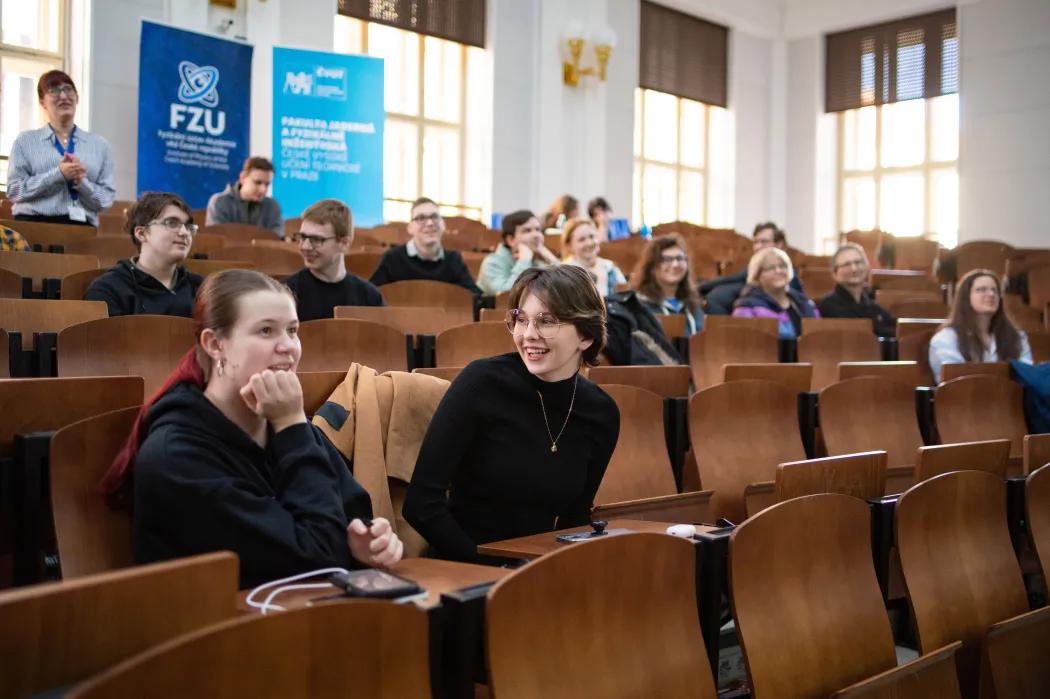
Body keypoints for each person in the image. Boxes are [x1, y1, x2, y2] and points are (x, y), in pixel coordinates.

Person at [99, 269, 404, 588]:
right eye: (266, 331)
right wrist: (292, 425)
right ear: (215, 344)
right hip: (214, 627)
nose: (288, 346)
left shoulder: (284, 422)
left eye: (293, 330)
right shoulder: (176, 455)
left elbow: (350, 512)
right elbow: (317, 556)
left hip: (297, 612)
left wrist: (368, 542)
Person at [403, 265, 620, 562]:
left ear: (585, 336)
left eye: (547, 321)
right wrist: (492, 571)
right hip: (464, 565)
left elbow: (574, 518)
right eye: (521, 319)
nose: (528, 335)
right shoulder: (481, 383)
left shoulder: (602, 413)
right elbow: (421, 505)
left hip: (536, 569)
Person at [7, 70, 115, 227]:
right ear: (42, 102)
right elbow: (14, 191)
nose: (63, 96)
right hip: (33, 224)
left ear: (77, 98)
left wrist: (81, 181)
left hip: (82, 229)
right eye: (55, 90)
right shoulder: (25, 141)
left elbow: (106, 200)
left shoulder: (100, 145)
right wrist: (58, 174)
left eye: (68, 89)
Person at [84, 192, 203, 317]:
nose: (185, 232)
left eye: (188, 226)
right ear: (141, 233)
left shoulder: (201, 288)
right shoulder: (109, 289)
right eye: (172, 223)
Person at [284, 199, 383, 321]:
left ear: (344, 243)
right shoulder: (286, 294)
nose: (305, 246)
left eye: (316, 239)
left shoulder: (369, 297)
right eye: (302, 237)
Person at [928, 269, 1033, 382]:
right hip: (964, 397)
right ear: (966, 297)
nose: (991, 294)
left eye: (995, 290)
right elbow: (954, 379)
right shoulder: (946, 338)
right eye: (981, 290)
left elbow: (1027, 377)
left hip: (1011, 397)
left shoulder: (1016, 336)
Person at [369, 197, 482, 293]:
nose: (429, 223)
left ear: (443, 225)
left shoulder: (454, 260)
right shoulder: (393, 258)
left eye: (434, 217)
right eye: (421, 218)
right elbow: (373, 298)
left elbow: (474, 297)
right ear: (410, 228)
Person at [700, 222, 805, 314]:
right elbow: (733, 278)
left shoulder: (788, 274)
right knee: (719, 294)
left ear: (779, 244)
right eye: (755, 242)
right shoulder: (755, 266)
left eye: (764, 242)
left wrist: (698, 288)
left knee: (718, 295)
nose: (758, 247)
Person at [732, 247, 820, 338]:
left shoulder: (804, 303)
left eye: (783, 266)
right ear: (757, 275)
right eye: (770, 268)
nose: (779, 271)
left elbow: (817, 335)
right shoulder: (747, 307)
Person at [630, 233, 704, 336]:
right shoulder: (640, 305)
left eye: (679, 258)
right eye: (667, 259)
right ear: (651, 267)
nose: (675, 264)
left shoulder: (692, 303)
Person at [817, 242, 896, 337]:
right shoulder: (827, 306)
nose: (854, 269)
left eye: (858, 262)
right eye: (847, 264)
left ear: (866, 266)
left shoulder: (875, 309)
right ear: (835, 273)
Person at [478, 209, 559, 295]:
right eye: (527, 230)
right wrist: (524, 261)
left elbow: (566, 289)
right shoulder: (492, 263)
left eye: (538, 229)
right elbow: (505, 296)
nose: (536, 235)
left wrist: (551, 258)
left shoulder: (537, 261)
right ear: (511, 240)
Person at [205, 156, 282, 236]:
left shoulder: (273, 206)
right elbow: (217, 240)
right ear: (242, 178)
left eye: (267, 184)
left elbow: (277, 240)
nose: (263, 189)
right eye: (257, 182)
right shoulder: (219, 202)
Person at [561, 218, 626, 297]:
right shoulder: (565, 274)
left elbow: (626, 295)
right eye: (581, 240)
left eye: (592, 237)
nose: (589, 243)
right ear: (569, 245)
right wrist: (601, 279)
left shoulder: (610, 267)